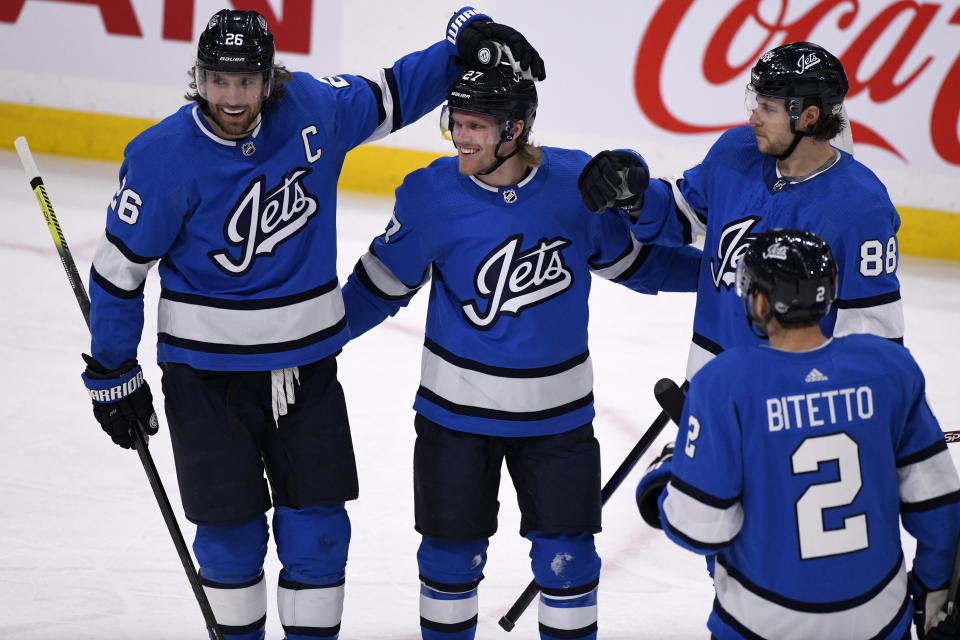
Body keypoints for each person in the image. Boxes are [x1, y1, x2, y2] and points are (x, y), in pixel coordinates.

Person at [78, 7, 544, 640]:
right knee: (229, 535)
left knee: (320, 529)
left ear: (271, 77)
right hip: (204, 381)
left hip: (306, 372)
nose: (233, 97)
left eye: (247, 81)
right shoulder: (162, 157)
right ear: (198, 77)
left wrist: (459, 42)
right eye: (219, 80)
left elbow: (395, 91)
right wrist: (113, 369)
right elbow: (118, 275)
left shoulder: (313, 110)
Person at [339, 64, 701, 640]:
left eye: (477, 125)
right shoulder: (430, 194)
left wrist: (726, 274)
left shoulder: (576, 185)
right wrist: (304, 342)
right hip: (453, 420)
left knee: (570, 564)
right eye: (456, 122)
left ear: (516, 128)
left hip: (557, 424)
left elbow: (639, 264)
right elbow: (376, 289)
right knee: (448, 565)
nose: (461, 136)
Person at [635, 229, 960, 639]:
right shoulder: (888, 367)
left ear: (760, 301)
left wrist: (670, 476)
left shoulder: (724, 382)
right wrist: (932, 592)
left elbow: (699, 528)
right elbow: (938, 503)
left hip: (762, 621)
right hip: (877, 616)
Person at [577, 41, 903, 382]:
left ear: (808, 116)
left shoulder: (861, 208)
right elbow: (681, 213)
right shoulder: (736, 152)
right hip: (708, 379)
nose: (753, 117)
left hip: (787, 400)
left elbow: (873, 339)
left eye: (767, 107)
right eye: (754, 101)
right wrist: (635, 195)